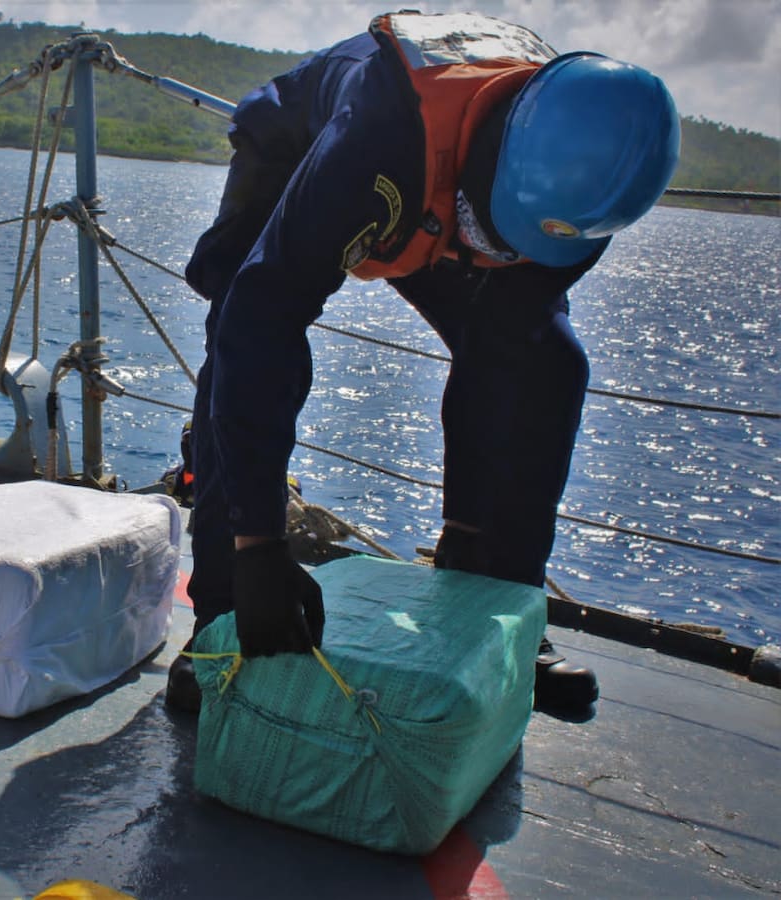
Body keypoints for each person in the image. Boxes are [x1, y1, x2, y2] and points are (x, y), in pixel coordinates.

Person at [165, 11, 680, 713]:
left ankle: (501, 607)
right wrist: (258, 545)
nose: (497, 257)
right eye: (498, 237)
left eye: (517, 246)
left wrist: (480, 545)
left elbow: (505, 340)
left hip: (446, 194)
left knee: (545, 364)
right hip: (310, 151)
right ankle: (221, 617)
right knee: (239, 330)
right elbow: (263, 324)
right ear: (501, 154)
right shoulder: (379, 137)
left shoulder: (589, 190)